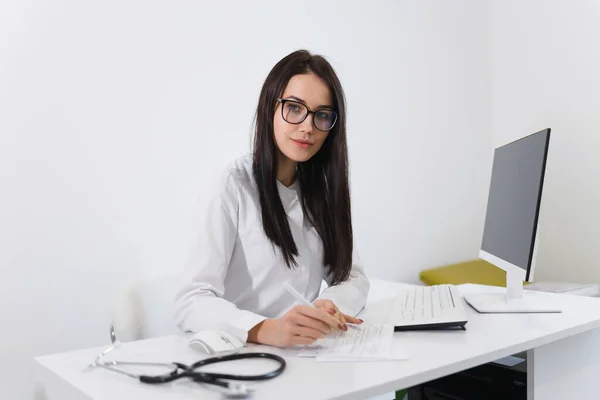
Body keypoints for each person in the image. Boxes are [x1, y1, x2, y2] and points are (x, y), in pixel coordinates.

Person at [174, 49, 370, 348]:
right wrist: (265, 329)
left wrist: (326, 306)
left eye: (322, 115)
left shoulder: (322, 190)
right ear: (270, 108)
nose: (307, 126)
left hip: (301, 357)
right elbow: (192, 300)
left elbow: (351, 276)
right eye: (294, 108)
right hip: (238, 353)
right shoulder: (231, 185)